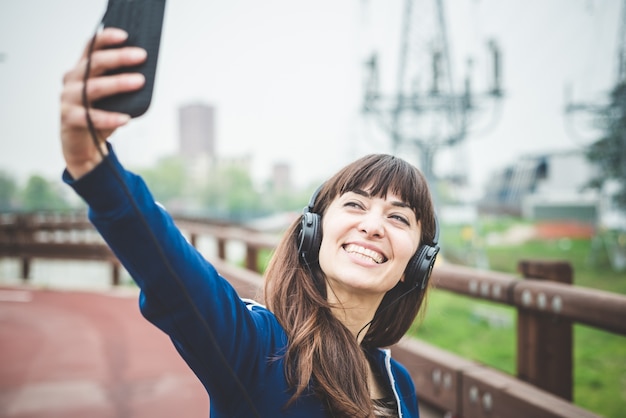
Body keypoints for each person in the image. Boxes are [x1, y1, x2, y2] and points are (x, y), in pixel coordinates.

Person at [60, 27, 439, 418]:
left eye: (398, 217)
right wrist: (93, 164)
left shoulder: (398, 385)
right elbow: (173, 272)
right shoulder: (260, 350)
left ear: (420, 260)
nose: (373, 225)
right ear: (313, 231)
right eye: (356, 205)